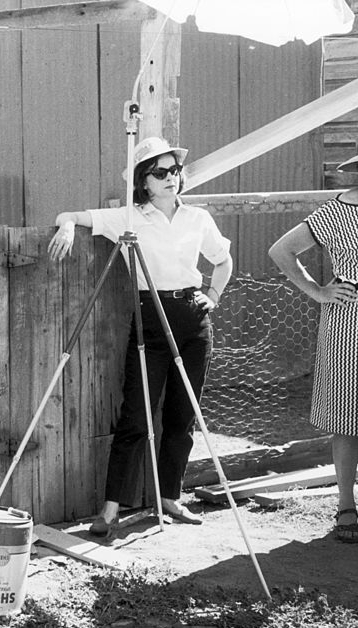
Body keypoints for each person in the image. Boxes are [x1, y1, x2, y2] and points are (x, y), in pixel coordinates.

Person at [48, 136, 233, 538]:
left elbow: (223, 259)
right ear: (143, 182)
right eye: (161, 172)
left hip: (192, 318)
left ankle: (170, 498)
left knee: (183, 415)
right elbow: (73, 215)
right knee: (136, 414)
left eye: (175, 170)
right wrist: (65, 226)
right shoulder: (129, 219)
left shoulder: (197, 218)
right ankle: (110, 509)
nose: (171, 178)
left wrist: (213, 296)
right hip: (150, 316)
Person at [268, 152, 358, 543]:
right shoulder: (335, 212)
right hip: (347, 317)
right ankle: (345, 505)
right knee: (346, 414)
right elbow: (280, 250)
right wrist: (318, 291)